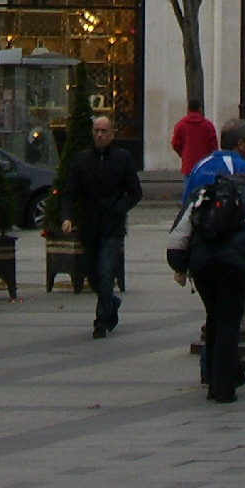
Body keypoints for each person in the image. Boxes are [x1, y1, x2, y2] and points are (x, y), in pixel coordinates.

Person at [169, 120, 245, 404]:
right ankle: (222, 380)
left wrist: (180, 262)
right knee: (228, 319)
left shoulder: (201, 166)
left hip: (202, 254)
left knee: (214, 315)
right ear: (240, 144)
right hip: (233, 255)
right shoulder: (242, 170)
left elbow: (184, 216)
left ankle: (213, 371)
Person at [59, 112, 142, 338]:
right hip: (89, 225)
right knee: (93, 275)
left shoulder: (123, 159)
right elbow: (69, 193)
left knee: (106, 271)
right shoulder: (82, 160)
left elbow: (135, 192)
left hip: (112, 226)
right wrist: (67, 217)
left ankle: (101, 320)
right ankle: (111, 302)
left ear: (113, 134)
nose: (99, 135)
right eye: (96, 130)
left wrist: (119, 208)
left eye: (104, 131)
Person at [170, 103, 219, 177]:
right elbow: (214, 146)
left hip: (188, 164)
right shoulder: (208, 125)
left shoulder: (181, 124)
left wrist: (183, 153)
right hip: (204, 164)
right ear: (200, 109)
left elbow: (175, 143)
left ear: (188, 109)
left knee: (189, 187)